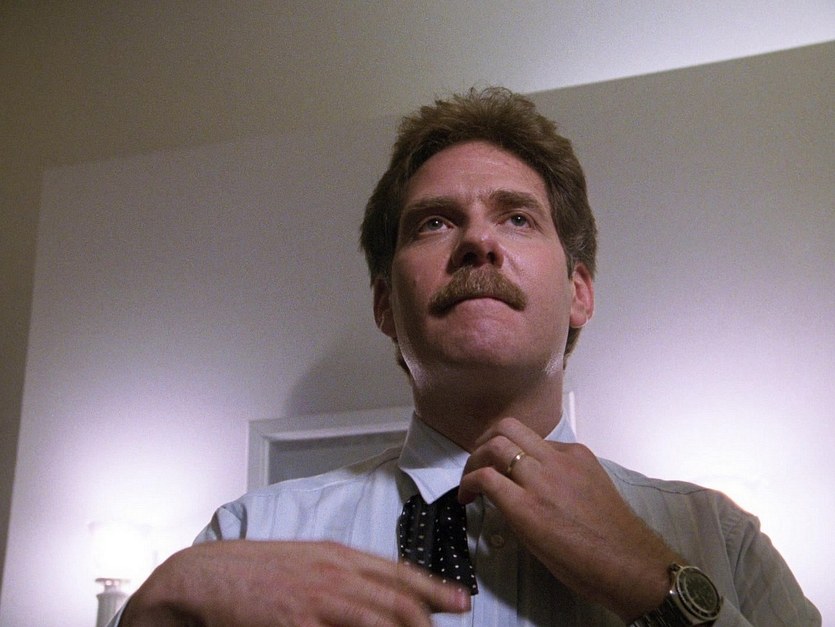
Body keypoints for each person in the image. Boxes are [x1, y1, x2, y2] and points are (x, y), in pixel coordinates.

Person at [116, 87, 820, 626]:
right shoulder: (249, 536)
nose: (478, 242)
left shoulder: (723, 541)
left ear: (578, 292)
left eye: (517, 217)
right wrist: (157, 607)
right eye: (434, 222)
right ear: (384, 304)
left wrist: (654, 582)